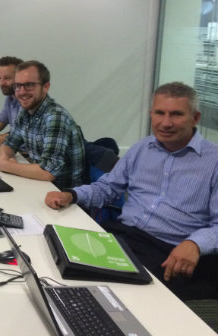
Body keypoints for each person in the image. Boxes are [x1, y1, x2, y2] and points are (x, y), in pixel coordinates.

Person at [44, 82, 218, 301]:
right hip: (124, 237)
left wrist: (194, 244)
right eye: (159, 113)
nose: (165, 122)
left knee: (109, 296)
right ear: (151, 114)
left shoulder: (214, 161)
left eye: (176, 114)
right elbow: (107, 188)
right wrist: (72, 195)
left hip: (169, 252)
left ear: (195, 118)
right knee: (58, 258)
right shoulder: (141, 148)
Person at [0, 60, 85, 189]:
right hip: (40, 185)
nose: (22, 91)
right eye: (18, 86)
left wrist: (5, 165)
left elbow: (49, 172)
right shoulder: (25, 112)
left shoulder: (55, 117)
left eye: (29, 85)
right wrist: (5, 157)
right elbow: (9, 144)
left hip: (63, 195)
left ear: (46, 87)